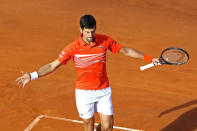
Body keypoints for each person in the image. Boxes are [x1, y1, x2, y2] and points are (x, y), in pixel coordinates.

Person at [16, 14, 160, 131]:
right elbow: (53, 65)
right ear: (81, 30)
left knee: (108, 126)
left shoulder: (104, 40)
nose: (90, 35)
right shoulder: (72, 48)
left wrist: (150, 58)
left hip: (103, 89)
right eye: (87, 32)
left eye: (92, 31)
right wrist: (32, 75)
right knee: (88, 124)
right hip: (84, 93)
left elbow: (126, 51)